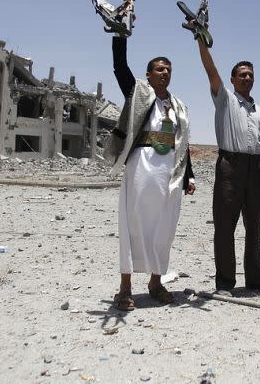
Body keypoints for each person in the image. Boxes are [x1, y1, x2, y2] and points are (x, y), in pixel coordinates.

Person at [100, 22, 195, 312]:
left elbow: (182, 143)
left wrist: (188, 175)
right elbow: (119, 67)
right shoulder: (138, 93)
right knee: (134, 225)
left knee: (164, 227)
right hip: (141, 167)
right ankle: (125, 287)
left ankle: (156, 283)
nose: (165, 73)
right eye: (159, 69)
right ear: (148, 74)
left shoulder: (178, 105)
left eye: (168, 69)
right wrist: (120, 34)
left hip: (170, 172)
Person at [192, 34, 260, 295]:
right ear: (232, 79)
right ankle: (225, 283)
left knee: (254, 226)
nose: (247, 78)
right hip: (231, 167)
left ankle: (255, 279)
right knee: (225, 227)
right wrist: (200, 40)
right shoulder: (225, 99)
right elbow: (210, 69)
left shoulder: (259, 109)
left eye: (250, 74)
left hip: (256, 168)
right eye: (242, 75)